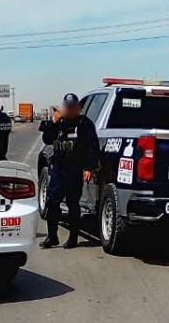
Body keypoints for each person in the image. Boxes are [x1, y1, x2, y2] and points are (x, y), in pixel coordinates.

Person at [40, 93, 99, 249]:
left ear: (78, 108)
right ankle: (52, 237)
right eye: (68, 107)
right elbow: (47, 139)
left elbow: (92, 147)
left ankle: (73, 238)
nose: (70, 110)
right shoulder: (60, 122)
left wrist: (88, 168)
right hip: (59, 167)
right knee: (52, 201)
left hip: (74, 169)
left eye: (73, 107)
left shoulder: (84, 124)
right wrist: (53, 122)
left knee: (73, 204)